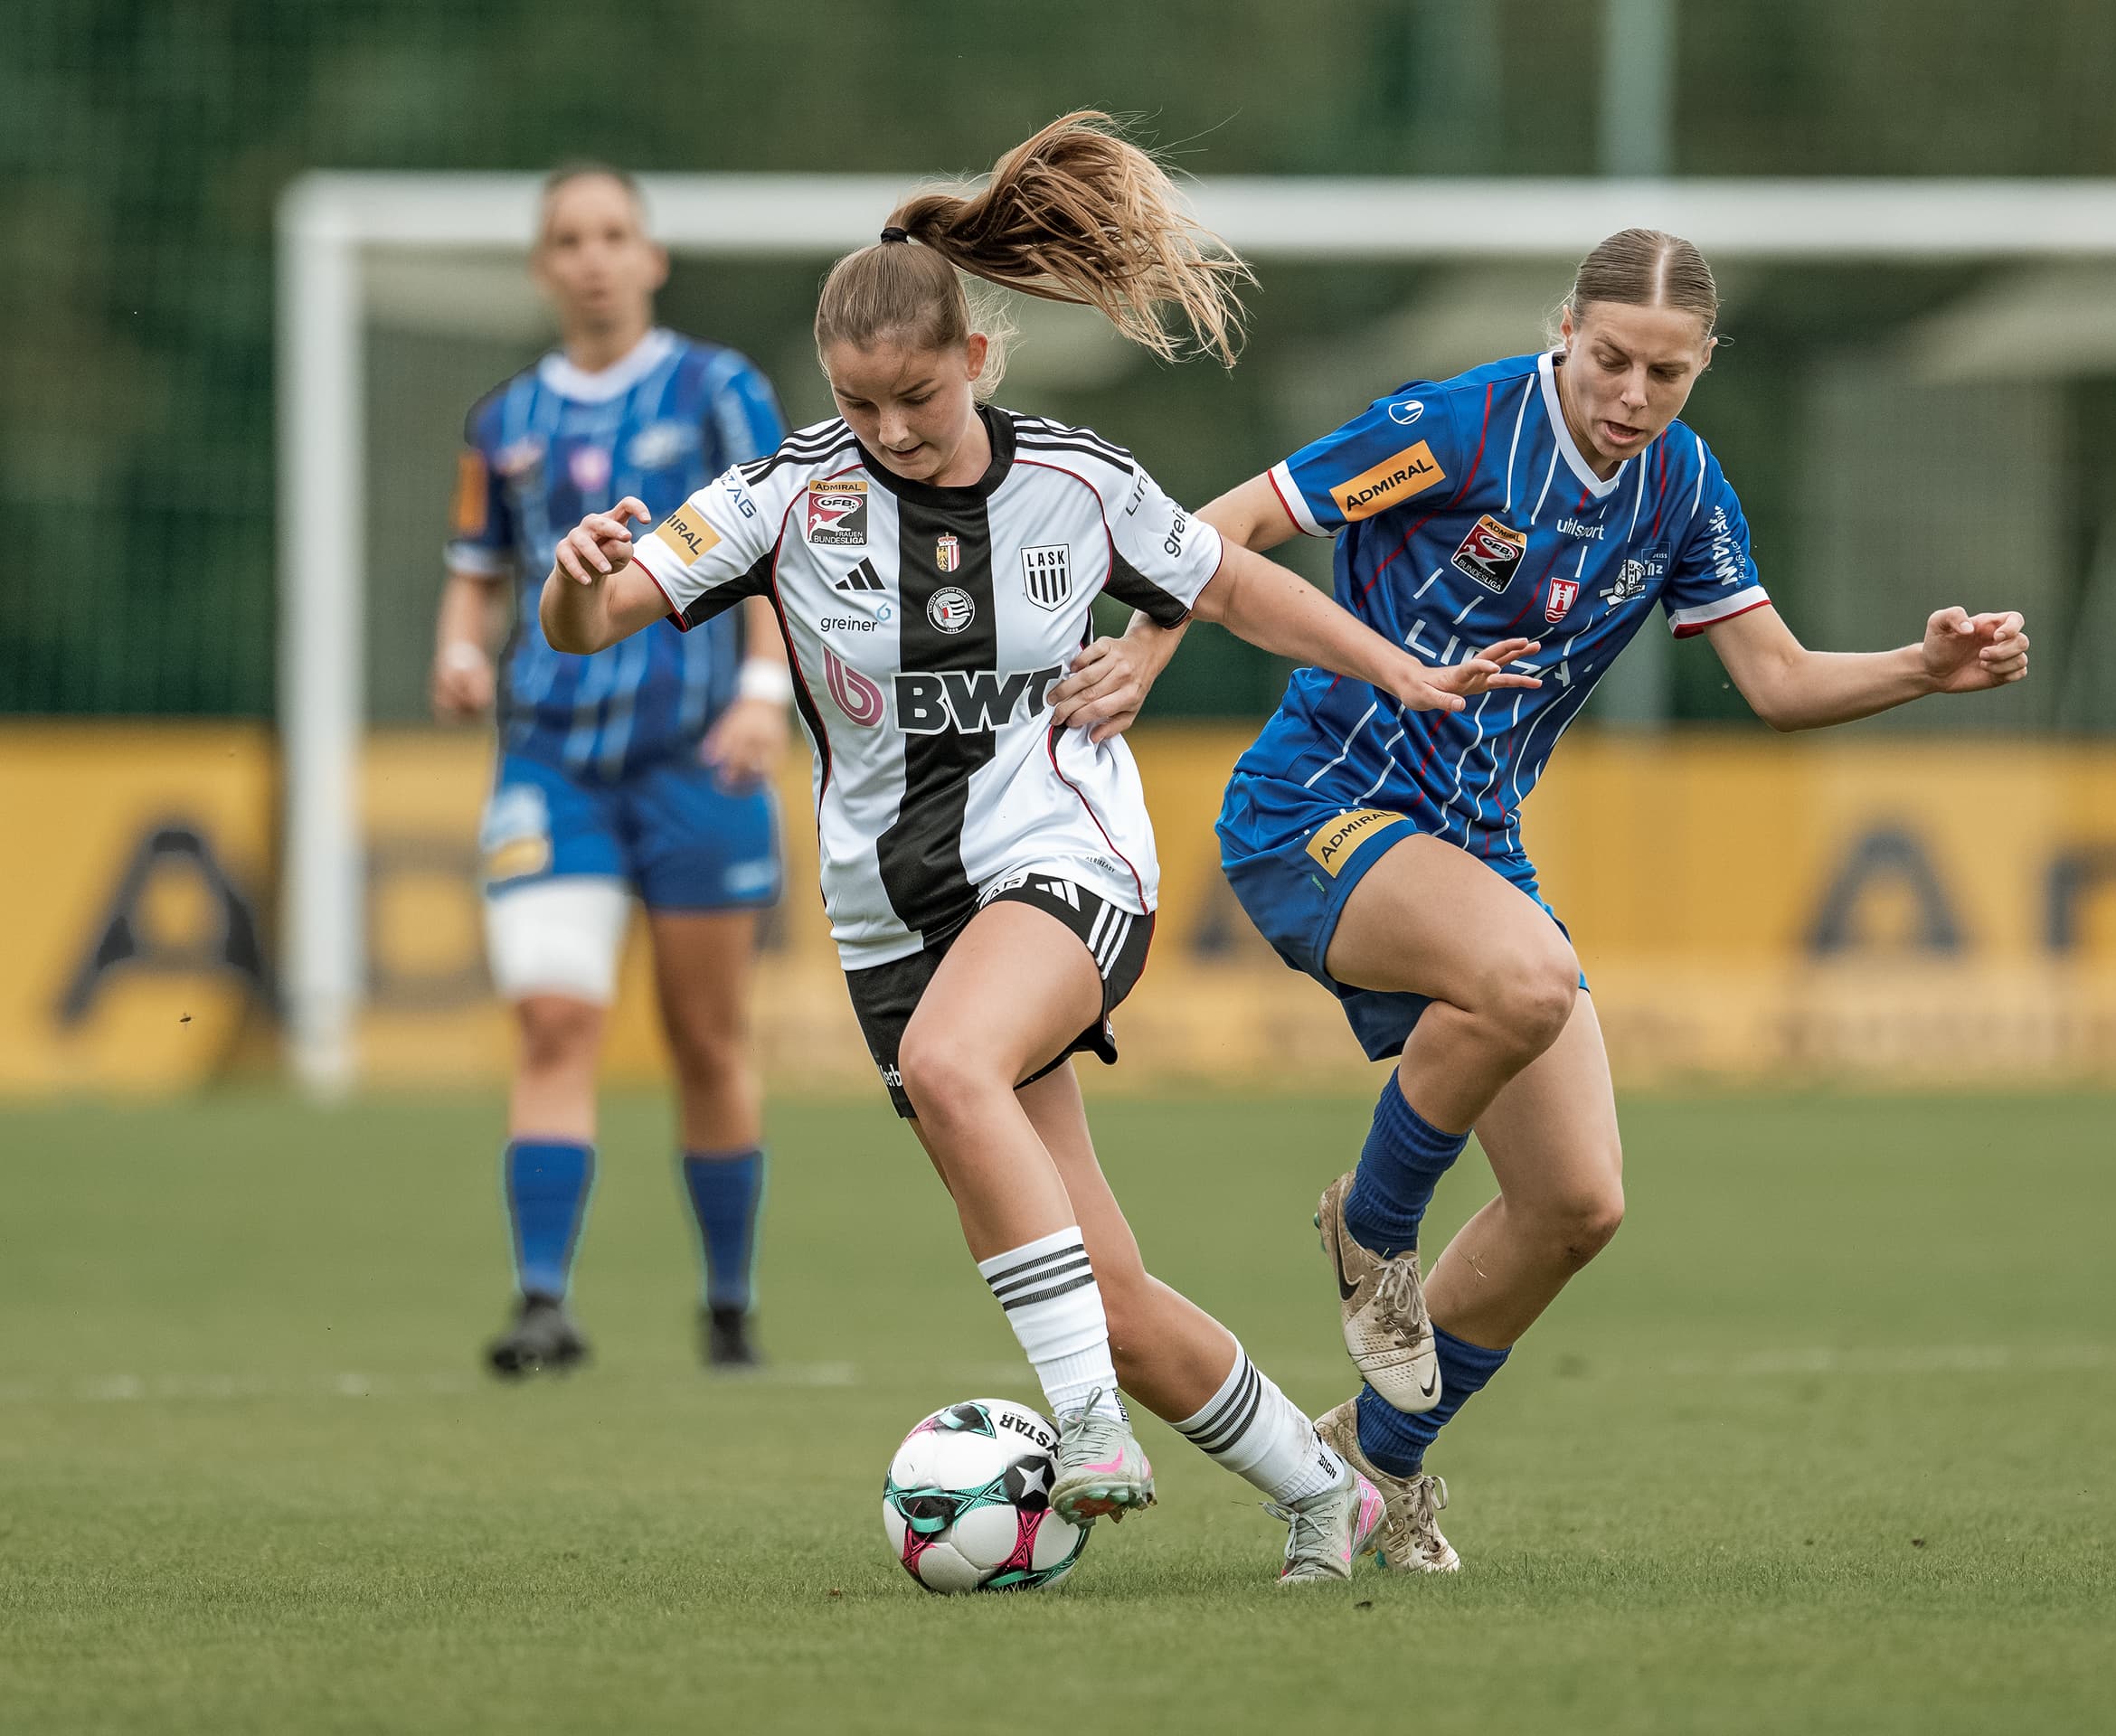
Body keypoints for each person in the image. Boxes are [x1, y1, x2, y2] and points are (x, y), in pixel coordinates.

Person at [535, 113, 1535, 1581]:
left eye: (919, 399)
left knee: (956, 1069)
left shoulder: (1075, 478)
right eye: (860, 404)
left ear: (979, 361)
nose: (889, 431)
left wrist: (1403, 669)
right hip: (894, 922)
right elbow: (590, 626)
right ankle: (1332, 1498)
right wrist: (575, 581)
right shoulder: (786, 498)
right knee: (1110, 1295)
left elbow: (1239, 590)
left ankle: (1080, 1431)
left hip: (1067, 864)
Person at [1063, 227, 2030, 1573]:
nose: (1634, 397)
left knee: (1577, 1205)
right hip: (1317, 809)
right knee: (1521, 981)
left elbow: (1779, 681)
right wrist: (1144, 650)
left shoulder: (1684, 490)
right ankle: (1373, 1226)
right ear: (1565, 328)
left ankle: (1369, 1469)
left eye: (1669, 375)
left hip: (1469, 848)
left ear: (1700, 371)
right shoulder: (1456, 429)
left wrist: (1922, 674)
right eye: (1615, 361)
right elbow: (1226, 527)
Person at [435, 163, 796, 1377]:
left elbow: (777, 546)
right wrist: (456, 649)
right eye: (567, 239)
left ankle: (729, 1308)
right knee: (552, 1016)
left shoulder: (718, 389)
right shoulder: (503, 423)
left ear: (651, 256)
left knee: (704, 1036)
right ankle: (543, 1303)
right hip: (552, 766)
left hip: (699, 762)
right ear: (543, 267)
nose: (591, 258)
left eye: (612, 235)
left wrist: (760, 694)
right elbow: (478, 566)